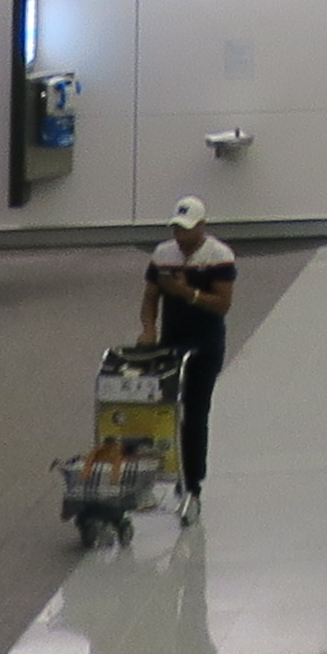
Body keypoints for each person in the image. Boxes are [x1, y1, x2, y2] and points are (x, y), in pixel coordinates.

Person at [140, 198, 241, 489]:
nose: (179, 236)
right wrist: (148, 329)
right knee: (166, 408)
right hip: (172, 341)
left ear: (201, 226)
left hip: (206, 343)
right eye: (176, 229)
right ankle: (165, 469)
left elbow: (222, 304)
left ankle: (193, 480)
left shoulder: (220, 255)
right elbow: (150, 297)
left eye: (185, 230)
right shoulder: (163, 254)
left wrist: (187, 292)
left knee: (196, 412)